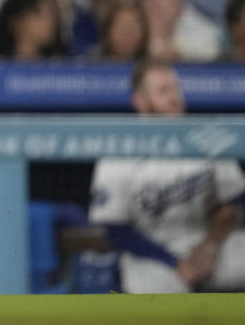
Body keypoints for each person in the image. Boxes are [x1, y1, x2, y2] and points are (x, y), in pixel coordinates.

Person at [89, 62, 245, 293]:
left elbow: (235, 200)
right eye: (163, 91)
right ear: (140, 102)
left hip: (210, 244)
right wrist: (174, 263)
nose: (174, 97)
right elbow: (115, 229)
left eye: (175, 88)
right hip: (153, 257)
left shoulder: (207, 136)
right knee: (156, 289)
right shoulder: (119, 151)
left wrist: (211, 245)